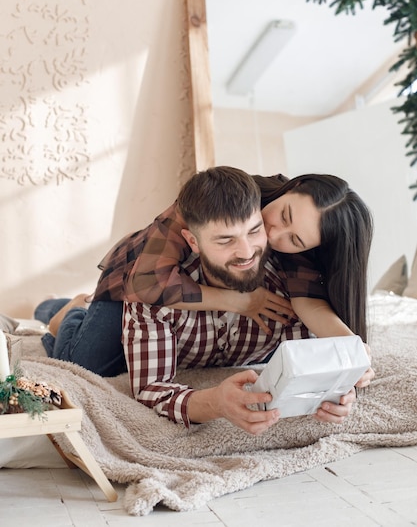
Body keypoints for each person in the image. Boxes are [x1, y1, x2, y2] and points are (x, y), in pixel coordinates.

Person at [35, 167, 373, 433]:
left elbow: (309, 306)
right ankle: (68, 310)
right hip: (130, 281)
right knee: (85, 360)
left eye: (293, 238)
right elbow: (149, 284)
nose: (270, 237)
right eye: (282, 217)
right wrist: (241, 301)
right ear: (288, 189)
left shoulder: (292, 256)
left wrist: (351, 357)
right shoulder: (211, 204)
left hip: (181, 290)